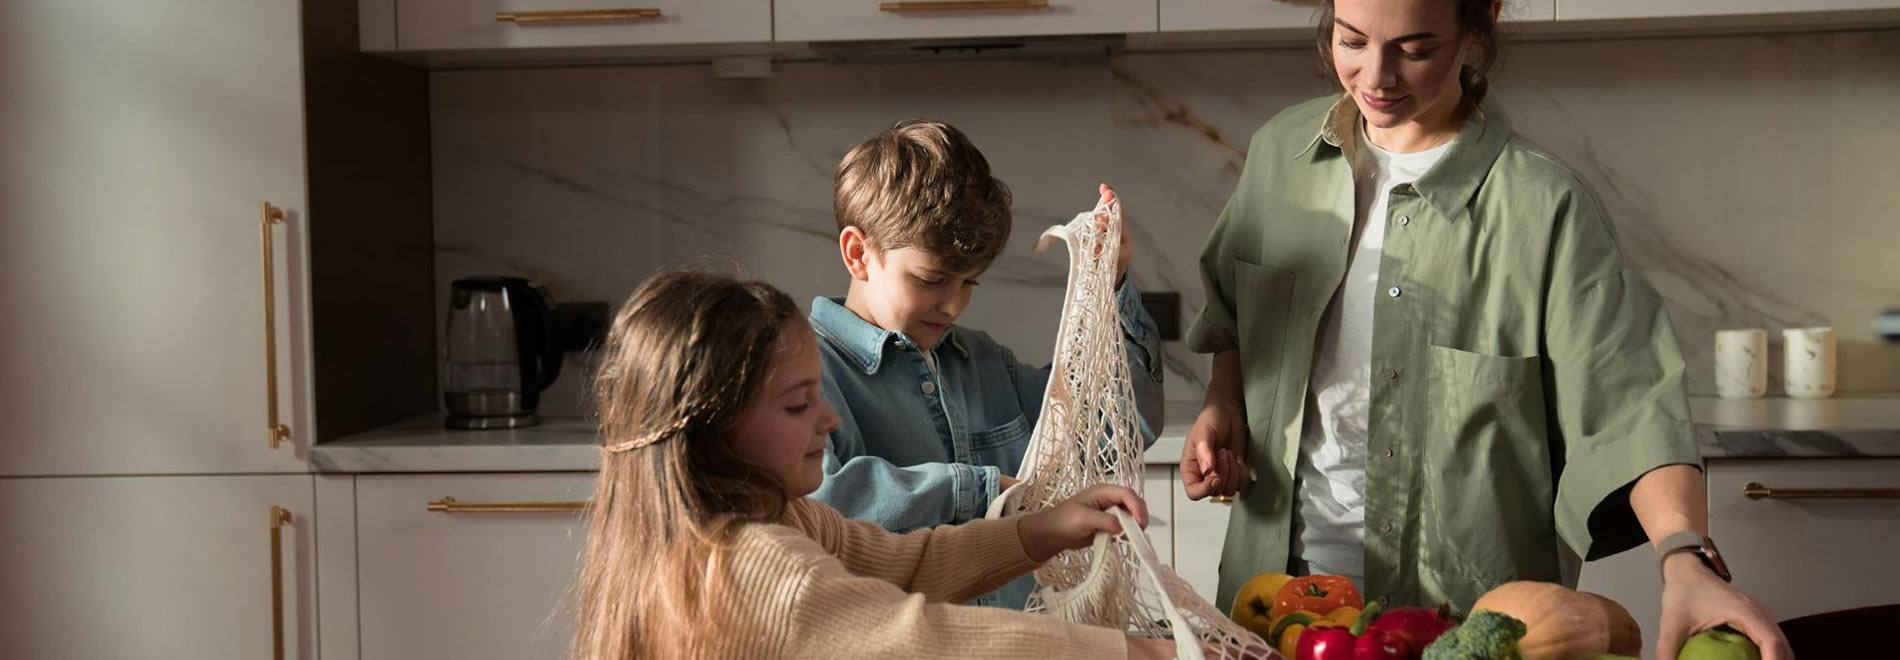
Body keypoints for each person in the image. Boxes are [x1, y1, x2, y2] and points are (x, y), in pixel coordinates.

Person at [1177, 1, 1791, 658]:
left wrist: (1684, 559)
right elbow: (1237, 310)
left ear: (1477, 28)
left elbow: (1631, 405)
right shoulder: (1282, 153)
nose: (1376, 76)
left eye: (1416, 49)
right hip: (1277, 601)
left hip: (1465, 626)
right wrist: (1223, 400)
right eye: (1351, 40)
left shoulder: (1543, 203)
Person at [570, 270, 1179, 659]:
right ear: (714, 425)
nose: (827, 420)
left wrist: (1040, 530)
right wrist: (1149, 654)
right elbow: (928, 642)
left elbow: (905, 564)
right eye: (798, 404)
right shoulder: (753, 569)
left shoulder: (772, 520)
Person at [806, 119, 1165, 608]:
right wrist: (975, 487)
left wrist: (1112, 283)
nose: (953, 306)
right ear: (858, 254)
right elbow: (819, 501)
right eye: (932, 280)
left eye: (969, 283)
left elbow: (1122, 428)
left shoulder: (988, 364)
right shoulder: (805, 369)